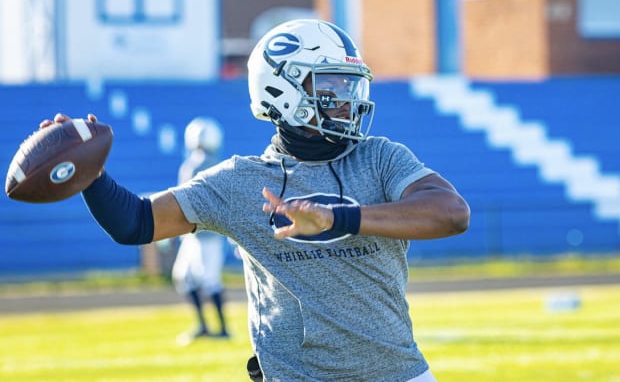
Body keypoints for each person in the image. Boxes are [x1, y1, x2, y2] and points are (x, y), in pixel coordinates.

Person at [42, 19, 470, 382]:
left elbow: (451, 213)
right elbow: (135, 222)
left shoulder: (379, 157)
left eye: (349, 84)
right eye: (332, 84)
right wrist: (90, 174)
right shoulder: (240, 182)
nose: (347, 99)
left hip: (398, 373)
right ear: (282, 90)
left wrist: (341, 218)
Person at [172, 117, 230, 345]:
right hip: (201, 234)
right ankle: (208, 327)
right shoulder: (214, 162)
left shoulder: (196, 163)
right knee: (189, 278)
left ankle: (219, 328)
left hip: (201, 234)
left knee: (203, 279)